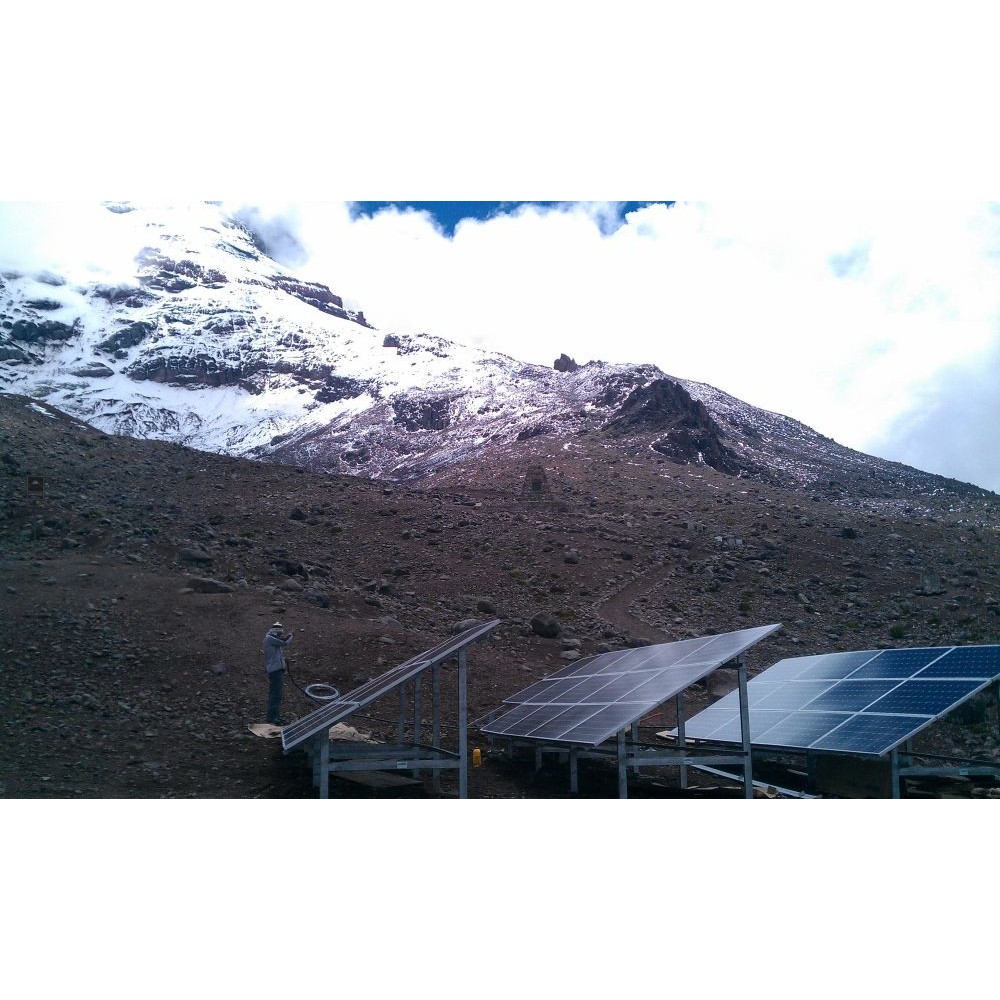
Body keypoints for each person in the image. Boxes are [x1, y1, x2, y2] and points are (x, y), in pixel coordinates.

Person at [262, 621, 292, 725]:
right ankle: (271, 717)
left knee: (276, 694)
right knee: (276, 694)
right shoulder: (270, 638)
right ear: (276, 632)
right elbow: (284, 642)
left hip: (276, 670)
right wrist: (290, 635)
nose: (280, 635)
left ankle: (275, 715)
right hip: (275, 670)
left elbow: (280, 643)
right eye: (279, 633)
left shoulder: (271, 639)